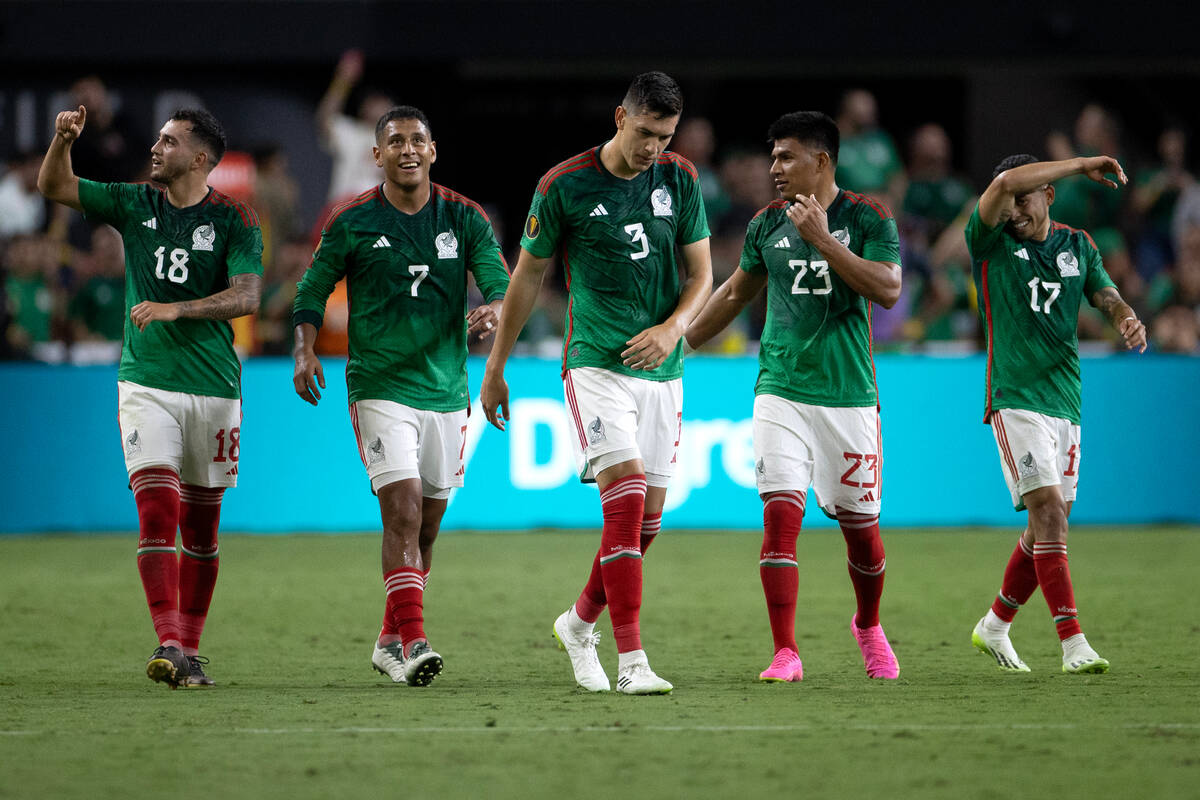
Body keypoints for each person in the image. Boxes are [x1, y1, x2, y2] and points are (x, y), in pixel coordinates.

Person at [480, 71, 712, 695]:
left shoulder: (681, 179)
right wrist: (496, 368)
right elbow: (527, 279)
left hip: (662, 368)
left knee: (647, 524)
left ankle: (579, 622)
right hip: (595, 364)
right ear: (619, 118)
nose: (652, 150)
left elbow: (701, 276)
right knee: (628, 493)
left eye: (664, 137)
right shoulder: (564, 185)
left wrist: (672, 329)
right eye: (644, 134)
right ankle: (632, 660)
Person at [38, 104, 264, 688]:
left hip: (215, 387)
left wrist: (176, 308)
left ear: (200, 158)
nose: (156, 148)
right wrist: (63, 141)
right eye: (157, 138)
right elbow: (54, 185)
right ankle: (168, 642)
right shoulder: (135, 202)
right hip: (145, 382)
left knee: (203, 533)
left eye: (169, 141)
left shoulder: (236, 218)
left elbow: (246, 297)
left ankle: (189, 649)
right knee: (157, 511)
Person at [292, 105, 509, 688]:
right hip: (379, 385)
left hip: (445, 390)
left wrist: (492, 305)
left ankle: (389, 639)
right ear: (377, 155)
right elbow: (312, 288)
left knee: (428, 528)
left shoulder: (464, 217)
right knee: (404, 509)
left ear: (433, 151)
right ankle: (415, 641)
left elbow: (500, 282)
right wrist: (304, 347)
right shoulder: (352, 221)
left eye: (418, 140)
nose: (408, 149)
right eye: (396, 141)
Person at [685, 111, 903, 683]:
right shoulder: (766, 224)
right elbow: (735, 293)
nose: (774, 168)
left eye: (786, 157)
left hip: (850, 394)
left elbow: (887, 288)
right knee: (780, 517)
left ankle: (868, 624)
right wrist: (680, 344)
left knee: (863, 531)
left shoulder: (868, 216)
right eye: (773, 157)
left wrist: (823, 241)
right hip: (781, 390)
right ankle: (786, 650)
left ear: (822, 161)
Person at [966, 153, 1146, 674]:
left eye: (1026, 199)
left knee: (1051, 524)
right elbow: (1002, 183)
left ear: (1048, 196)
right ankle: (1073, 644)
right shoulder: (991, 240)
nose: (1015, 209)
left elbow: (1104, 293)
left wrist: (1125, 315)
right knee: (1047, 510)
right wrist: (1082, 162)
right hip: (1015, 397)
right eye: (1011, 198)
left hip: (1065, 400)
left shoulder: (1079, 245)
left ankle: (995, 624)